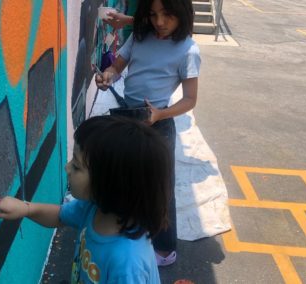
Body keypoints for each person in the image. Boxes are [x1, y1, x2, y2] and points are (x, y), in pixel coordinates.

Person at [0, 115, 172, 283]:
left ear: (111, 184)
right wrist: (25, 209)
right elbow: (59, 215)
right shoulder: (93, 208)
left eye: (76, 166)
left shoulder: (127, 263)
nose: (67, 167)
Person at [95, 0, 200, 266]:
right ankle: (128, 232)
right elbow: (117, 66)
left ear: (183, 14)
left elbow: (190, 100)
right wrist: (108, 75)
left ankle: (164, 250)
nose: (160, 22)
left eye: (168, 15)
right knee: (125, 177)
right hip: (129, 116)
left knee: (160, 188)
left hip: (159, 122)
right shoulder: (140, 37)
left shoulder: (188, 50)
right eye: (153, 15)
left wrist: (160, 115)